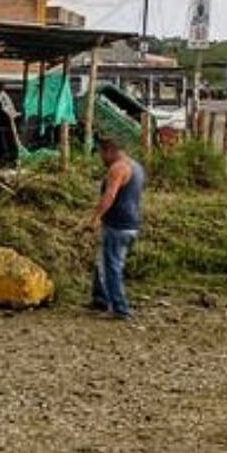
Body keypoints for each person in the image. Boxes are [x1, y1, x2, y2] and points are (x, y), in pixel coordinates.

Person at [86, 137, 146, 320]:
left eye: (101, 154)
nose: (101, 159)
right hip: (131, 222)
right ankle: (101, 299)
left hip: (118, 225)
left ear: (109, 151)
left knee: (112, 266)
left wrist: (96, 217)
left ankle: (120, 309)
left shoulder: (117, 168)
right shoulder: (136, 167)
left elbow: (110, 195)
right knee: (103, 262)